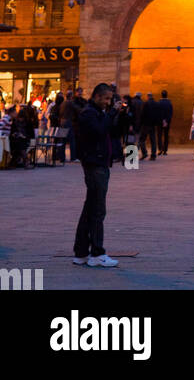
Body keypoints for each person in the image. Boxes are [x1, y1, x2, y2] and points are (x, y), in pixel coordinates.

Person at [72, 83, 118, 268]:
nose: (108, 102)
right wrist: (111, 114)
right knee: (98, 210)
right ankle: (97, 253)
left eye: (110, 99)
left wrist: (117, 115)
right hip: (94, 165)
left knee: (89, 209)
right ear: (97, 96)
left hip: (99, 163)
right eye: (106, 98)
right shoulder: (89, 114)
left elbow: (111, 131)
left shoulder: (97, 113)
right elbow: (99, 131)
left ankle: (81, 252)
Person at [140, 94, 161, 162]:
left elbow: (142, 114)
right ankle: (153, 155)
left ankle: (144, 153)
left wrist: (141, 123)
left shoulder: (145, 103)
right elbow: (158, 114)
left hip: (146, 124)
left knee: (142, 139)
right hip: (153, 125)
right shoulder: (156, 104)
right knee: (153, 140)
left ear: (148, 97)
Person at [157, 90, 173, 155]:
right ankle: (165, 150)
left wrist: (162, 120)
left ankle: (160, 149)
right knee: (166, 136)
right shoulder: (169, 103)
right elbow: (170, 113)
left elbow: (158, 113)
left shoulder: (158, 103)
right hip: (167, 122)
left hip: (160, 121)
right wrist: (166, 120)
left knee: (159, 135)